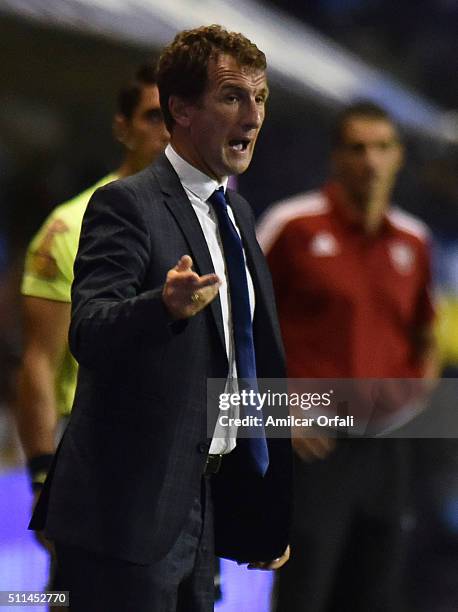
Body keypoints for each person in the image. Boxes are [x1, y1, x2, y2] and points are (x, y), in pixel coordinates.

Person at [30, 25, 291, 612]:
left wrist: (267, 501)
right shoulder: (125, 204)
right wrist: (161, 307)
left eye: (261, 97)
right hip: (122, 518)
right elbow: (89, 331)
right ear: (181, 107)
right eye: (232, 97)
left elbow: (249, 363)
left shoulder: (239, 212)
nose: (253, 114)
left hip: (204, 505)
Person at [257, 101, 436, 612]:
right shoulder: (292, 226)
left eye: (382, 147)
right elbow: (233, 327)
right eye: (357, 148)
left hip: (389, 453)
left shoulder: (414, 240)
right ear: (336, 156)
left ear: (399, 156)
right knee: (305, 595)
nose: (371, 161)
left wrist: (414, 400)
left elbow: (425, 336)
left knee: (376, 596)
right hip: (314, 450)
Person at [15, 63, 169, 583]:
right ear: (122, 127)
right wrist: (42, 475)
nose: (167, 131)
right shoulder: (71, 227)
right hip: (93, 462)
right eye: (152, 116)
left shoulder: (215, 220)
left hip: (175, 464)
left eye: (176, 116)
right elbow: (39, 360)